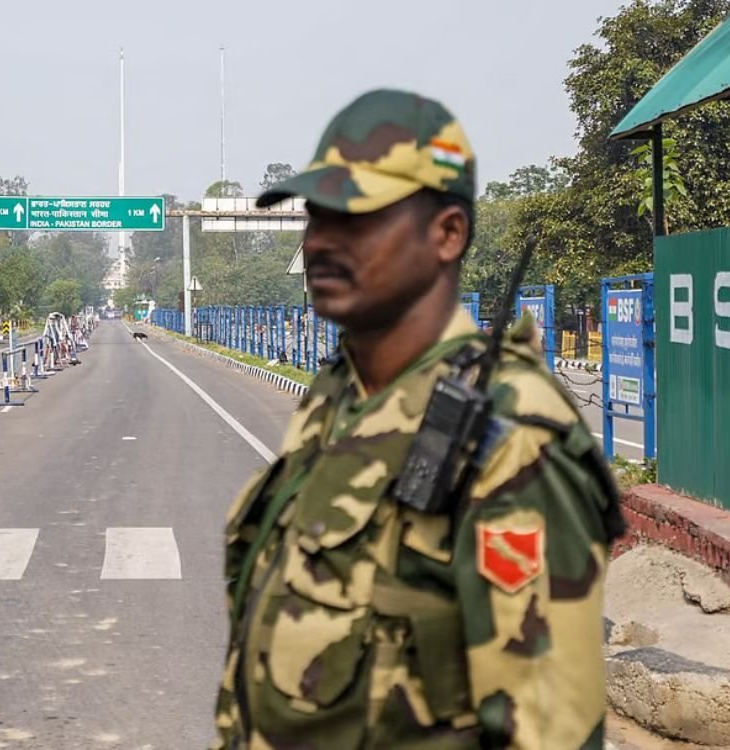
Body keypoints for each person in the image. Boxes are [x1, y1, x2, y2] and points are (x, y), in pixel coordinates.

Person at [211, 89, 626, 749]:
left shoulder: (509, 439)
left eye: (357, 219)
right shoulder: (339, 393)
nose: (320, 242)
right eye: (316, 218)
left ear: (448, 234)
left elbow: (546, 731)